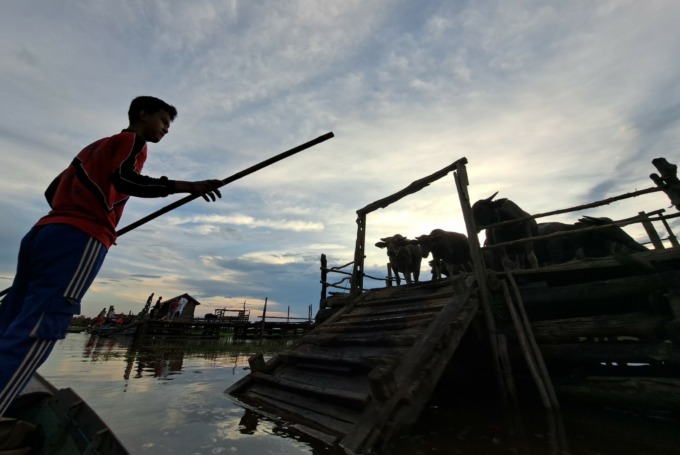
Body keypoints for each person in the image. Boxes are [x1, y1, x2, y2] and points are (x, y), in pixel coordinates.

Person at [0, 96, 222, 417]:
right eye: (163, 122)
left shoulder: (95, 147)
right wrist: (187, 185)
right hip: (80, 235)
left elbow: (53, 190)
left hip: (44, 232)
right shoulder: (133, 141)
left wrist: (82, 207)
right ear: (143, 115)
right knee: (39, 327)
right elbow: (125, 179)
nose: (166, 130)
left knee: (12, 319)